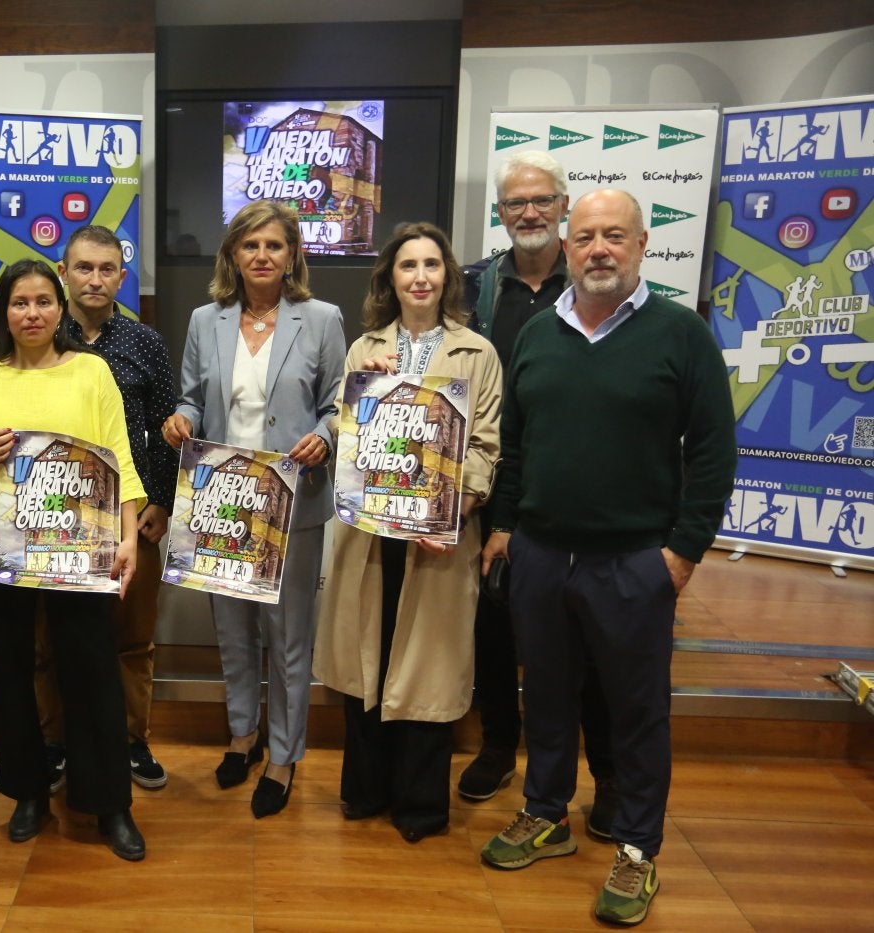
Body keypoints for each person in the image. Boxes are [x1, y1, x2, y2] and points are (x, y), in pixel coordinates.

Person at [478, 189, 736, 926]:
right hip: (539, 555)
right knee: (547, 697)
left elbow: (714, 453)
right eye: (586, 236)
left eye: (614, 236)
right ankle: (546, 813)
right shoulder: (539, 334)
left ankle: (636, 850)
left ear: (642, 244)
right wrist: (504, 526)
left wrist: (681, 554)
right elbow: (516, 444)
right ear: (567, 247)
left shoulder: (681, 334)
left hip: (633, 562)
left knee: (637, 712)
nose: (599, 249)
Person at [314, 222, 501, 843]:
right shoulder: (364, 348)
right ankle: (366, 792)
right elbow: (343, 432)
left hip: (437, 537)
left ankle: (419, 806)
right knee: (371, 654)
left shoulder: (478, 353)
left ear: (448, 276)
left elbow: (485, 446)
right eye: (407, 266)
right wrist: (361, 389)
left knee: (426, 665)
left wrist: (454, 512)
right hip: (370, 533)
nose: (420, 277)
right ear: (389, 279)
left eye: (431, 265)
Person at [161, 200, 345, 818]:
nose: (262, 256)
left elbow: (338, 404)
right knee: (232, 630)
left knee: (288, 637)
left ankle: (284, 755)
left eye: (274, 245)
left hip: (292, 501)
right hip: (221, 500)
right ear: (233, 255)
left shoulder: (321, 319)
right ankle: (243, 734)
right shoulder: (204, 320)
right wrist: (181, 419)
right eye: (250, 245)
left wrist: (324, 436)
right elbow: (191, 398)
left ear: (292, 255)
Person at [0, 258, 149, 861]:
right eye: (19, 303)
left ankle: (109, 802)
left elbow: (118, 454)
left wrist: (128, 538)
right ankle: (29, 794)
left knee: (92, 672)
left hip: (81, 551)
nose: (32, 313)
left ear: (60, 307)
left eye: (44, 301)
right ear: (3, 311)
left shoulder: (91, 372)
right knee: (11, 675)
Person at [460, 151, 617, 837]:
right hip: (485, 488)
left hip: (570, 487)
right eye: (515, 203)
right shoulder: (474, 285)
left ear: (563, 206)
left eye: (542, 201)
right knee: (491, 627)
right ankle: (499, 745)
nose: (529, 213)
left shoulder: (593, 280)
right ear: (500, 212)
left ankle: (606, 775)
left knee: (587, 643)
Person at [31, 225, 179, 791]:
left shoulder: (146, 344)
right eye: (84, 268)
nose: (95, 279)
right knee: (49, 640)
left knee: (132, 639)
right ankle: (55, 742)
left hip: (131, 517)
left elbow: (165, 430)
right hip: (56, 515)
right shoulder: (39, 336)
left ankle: (132, 741)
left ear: (122, 275)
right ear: (63, 273)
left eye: (107, 269)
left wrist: (160, 502)